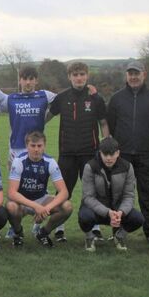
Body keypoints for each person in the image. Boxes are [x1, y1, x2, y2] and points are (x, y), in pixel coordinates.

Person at [105, 60, 149, 245]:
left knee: (148, 193)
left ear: (144, 74)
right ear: (126, 76)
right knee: (119, 194)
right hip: (123, 155)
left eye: (137, 73)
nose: (133, 77)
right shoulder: (117, 99)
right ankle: (118, 231)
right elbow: (112, 124)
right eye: (130, 73)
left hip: (147, 154)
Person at [48, 61, 108, 241]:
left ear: (87, 76)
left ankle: (95, 228)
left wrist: (106, 143)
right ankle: (59, 229)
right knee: (63, 193)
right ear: (69, 77)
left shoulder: (96, 98)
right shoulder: (62, 97)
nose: (79, 78)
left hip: (90, 153)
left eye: (82, 74)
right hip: (67, 153)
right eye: (75, 75)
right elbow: (48, 116)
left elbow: (103, 123)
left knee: (92, 192)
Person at [6, 131, 73, 248]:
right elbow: (11, 193)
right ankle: (18, 233)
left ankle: (43, 233)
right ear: (27, 146)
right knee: (11, 206)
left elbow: (64, 192)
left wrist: (46, 208)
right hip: (23, 201)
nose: (36, 149)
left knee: (67, 206)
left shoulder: (50, 162)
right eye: (33, 146)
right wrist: (35, 206)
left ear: (44, 146)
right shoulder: (19, 161)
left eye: (39, 146)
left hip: (42, 199)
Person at [79, 137, 145, 252]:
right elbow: (88, 197)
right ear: (100, 153)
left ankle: (119, 236)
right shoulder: (90, 167)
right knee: (84, 217)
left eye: (112, 154)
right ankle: (89, 237)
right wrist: (107, 212)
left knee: (138, 218)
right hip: (97, 210)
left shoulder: (127, 167)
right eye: (105, 154)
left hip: (117, 210)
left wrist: (121, 212)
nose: (108, 158)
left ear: (118, 153)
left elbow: (129, 195)